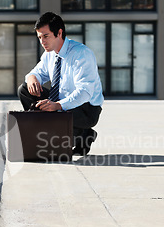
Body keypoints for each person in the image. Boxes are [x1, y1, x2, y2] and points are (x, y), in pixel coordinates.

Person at [18, 12, 104, 156]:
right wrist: (32, 77)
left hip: (85, 109)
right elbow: (37, 73)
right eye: (39, 37)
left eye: (46, 36)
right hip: (60, 103)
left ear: (59, 33)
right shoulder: (49, 55)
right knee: (25, 89)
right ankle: (48, 129)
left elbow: (84, 92)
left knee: (60, 144)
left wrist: (57, 106)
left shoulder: (81, 54)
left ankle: (83, 134)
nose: (42, 41)